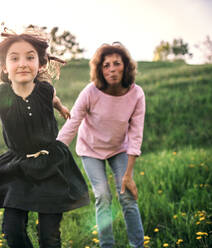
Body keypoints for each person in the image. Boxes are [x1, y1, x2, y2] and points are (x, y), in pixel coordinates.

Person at [0, 31, 90, 248]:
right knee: (12, 230)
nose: (22, 63)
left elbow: (54, 99)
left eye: (29, 57)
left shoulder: (45, 90)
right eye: (14, 58)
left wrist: (61, 108)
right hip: (18, 167)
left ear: (40, 64)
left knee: (49, 235)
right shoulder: (1, 94)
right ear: (5, 67)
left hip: (50, 163)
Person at [57, 42, 145, 248]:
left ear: (126, 66)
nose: (112, 69)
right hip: (90, 149)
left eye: (117, 63)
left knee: (128, 197)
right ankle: (107, 245)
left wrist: (129, 175)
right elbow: (73, 123)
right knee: (103, 197)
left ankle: (138, 245)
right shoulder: (91, 92)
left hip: (119, 148)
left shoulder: (137, 94)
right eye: (106, 65)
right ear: (99, 69)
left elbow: (135, 134)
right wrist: (56, 153)